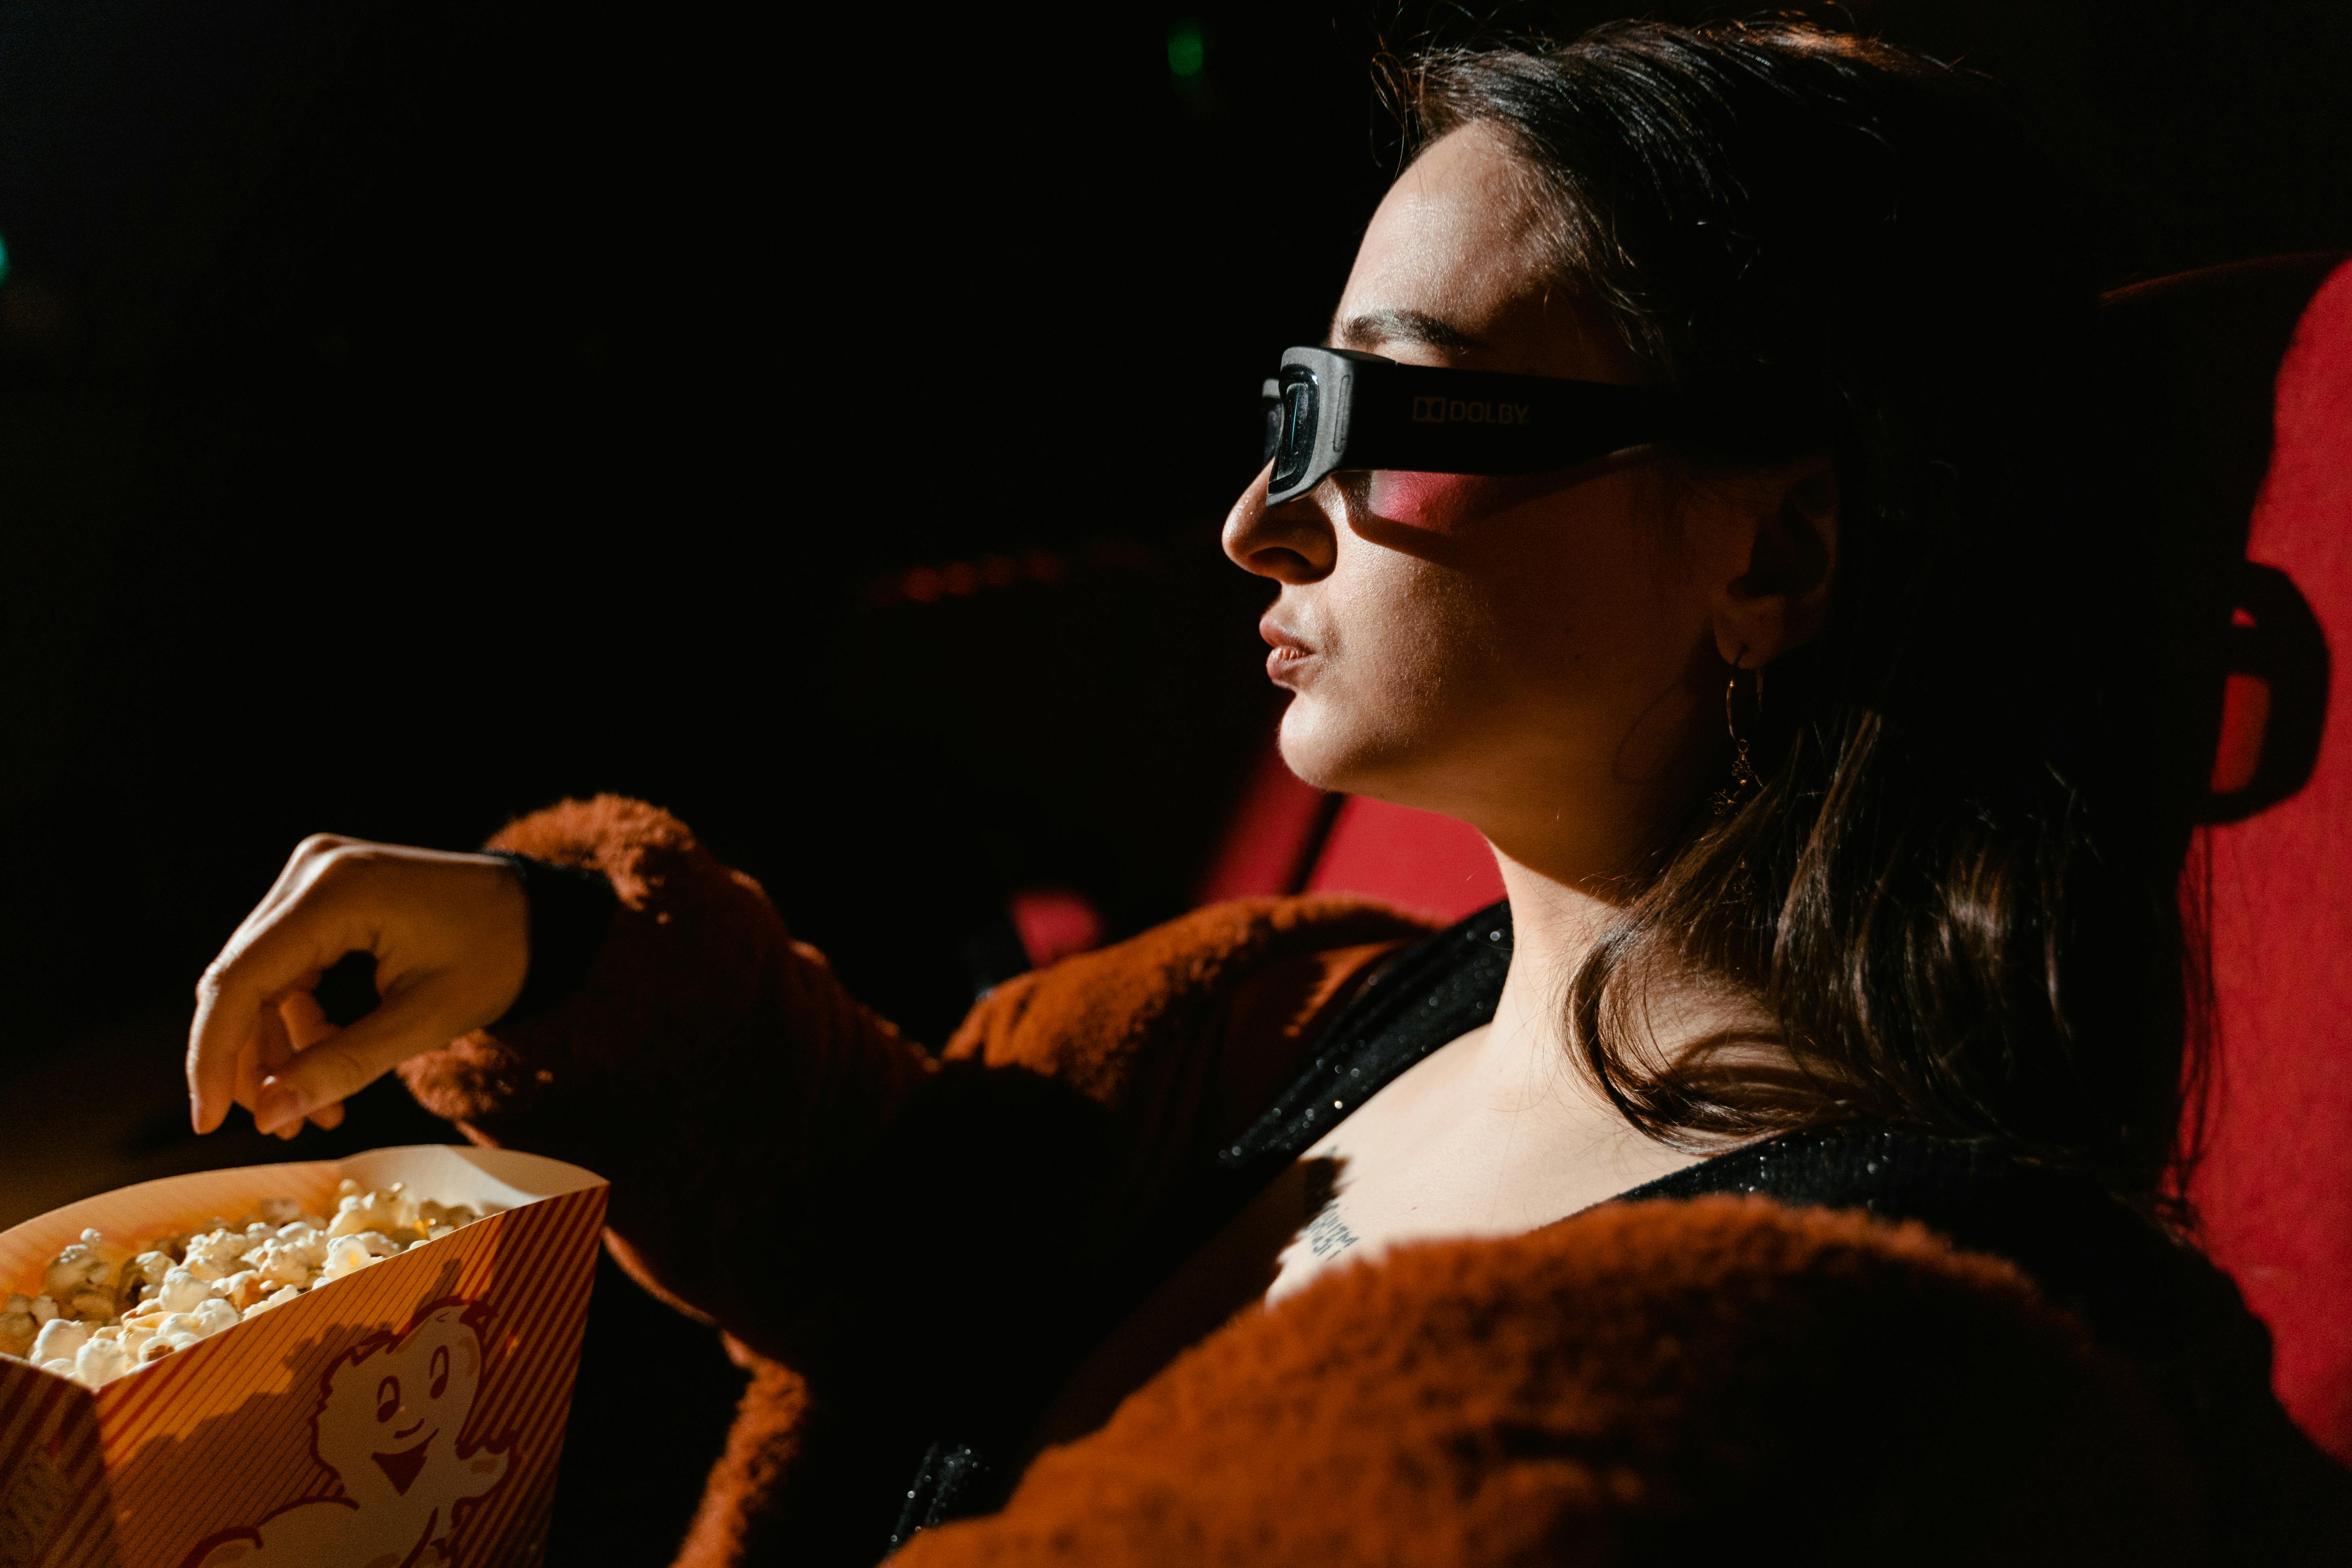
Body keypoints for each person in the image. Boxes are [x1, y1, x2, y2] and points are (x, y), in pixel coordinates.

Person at [182, 19, 2350, 1566]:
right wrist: (551, 951)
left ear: (1767, 549)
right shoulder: (1310, 1014)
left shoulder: (1852, 1367)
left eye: (1368, 414)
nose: (1255, 517)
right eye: (1277, 408)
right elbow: (921, 1213)